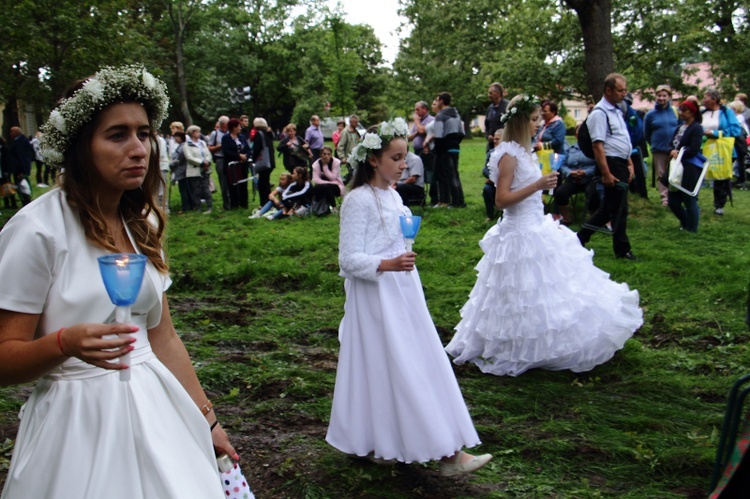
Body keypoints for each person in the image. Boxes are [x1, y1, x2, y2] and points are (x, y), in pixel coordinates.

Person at [0, 65, 235, 498]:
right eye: (117, 135)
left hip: (157, 410)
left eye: (144, 133)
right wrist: (63, 344)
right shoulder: (37, 230)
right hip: (76, 425)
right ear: (80, 146)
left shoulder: (142, 223)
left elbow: (162, 337)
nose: (138, 149)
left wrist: (208, 419)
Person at [327, 118, 492, 476]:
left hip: (404, 293)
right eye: (397, 158)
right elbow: (348, 259)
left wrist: (402, 256)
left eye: (405, 157)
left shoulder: (394, 195)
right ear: (374, 159)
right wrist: (387, 262)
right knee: (398, 367)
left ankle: (382, 440)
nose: (404, 165)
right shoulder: (358, 200)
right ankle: (446, 453)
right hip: (375, 300)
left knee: (409, 363)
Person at [445, 95, 642, 377]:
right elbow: (501, 200)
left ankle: (547, 343)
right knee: (521, 293)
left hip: (536, 224)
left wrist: (543, 186)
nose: (539, 124)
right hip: (518, 232)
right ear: (520, 121)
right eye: (534, 119)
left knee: (546, 290)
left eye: (539, 119)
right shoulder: (508, 155)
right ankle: (520, 345)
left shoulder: (524, 150)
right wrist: (538, 183)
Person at [577, 73, 637, 261]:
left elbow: (623, 139)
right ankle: (622, 249)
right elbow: (598, 145)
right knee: (619, 208)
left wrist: (629, 162)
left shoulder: (617, 111)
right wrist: (606, 173)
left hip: (620, 162)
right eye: (620, 90)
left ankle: (579, 238)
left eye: (625, 90)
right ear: (608, 90)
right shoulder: (599, 113)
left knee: (610, 207)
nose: (623, 94)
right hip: (610, 163)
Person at [666, 100, 705, 233]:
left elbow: (694, 148)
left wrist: (680, 152)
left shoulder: (697, 128)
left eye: (684, 110)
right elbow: (672, 143)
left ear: (692, 112)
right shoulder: (679, 127)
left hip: (690, 168)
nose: (681, 113)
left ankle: (692, 228)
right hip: (676, 166)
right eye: (680, 110)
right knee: (673, 200)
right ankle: (685, 222)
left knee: (689, 198)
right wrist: (671, 150)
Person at [701, 88, 742, 215]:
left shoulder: (726, 112)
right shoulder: (702, 113)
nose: (703, 100)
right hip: (703, 148)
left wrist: (716, 133)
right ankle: (691, 201)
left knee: (720, 178)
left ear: (714, 99)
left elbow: (735, 129)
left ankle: (719, 204)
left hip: (722, 149)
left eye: (705, 97)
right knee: (696, 174)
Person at [553, 125, 598, 225]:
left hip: (589, 179)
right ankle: (566, 218)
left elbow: (597, 165)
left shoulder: (593, 149)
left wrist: (586, 172)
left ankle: (594, 220)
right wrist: (570, 172)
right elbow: (563, 164)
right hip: (573, 179)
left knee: (592, 192)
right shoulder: (570, 149)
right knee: (560, 192)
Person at [645, 85, 679, 205]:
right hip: (659, 148)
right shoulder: (650, 115)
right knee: (661, 173)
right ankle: (665, 198)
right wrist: (654, 143)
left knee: (675, 173)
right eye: (659, 95)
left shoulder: (675, 112)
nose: (661, 98)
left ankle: (676, 196)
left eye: (664, 96)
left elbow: (680, 128)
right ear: (656, 96)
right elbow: (647, 132)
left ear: (669, 97)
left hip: (674, 149)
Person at [432, 92, 465, 207]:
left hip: (444, 149)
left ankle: (456, 202)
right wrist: (455, 142)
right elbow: (462, 132)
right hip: (455, 147)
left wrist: (437, 150)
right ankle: (454, 200)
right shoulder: (456, 114)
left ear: (441, 101)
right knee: (454, 174)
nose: (436, 102)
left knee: (444, 176)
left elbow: (438, 135)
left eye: (437, 100)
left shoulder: (440, 116)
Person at [221, 117, 251, 209]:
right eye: (238, 126)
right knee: (233, 185)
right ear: (233, 127)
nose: (240, 128)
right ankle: (234, 205)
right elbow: (226, 151)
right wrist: (238, 156)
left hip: (243, 164)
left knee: (243, 184)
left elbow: (248, 149)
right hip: (232, 166)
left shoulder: (242, 137)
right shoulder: (226, 138)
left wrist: (246, 156)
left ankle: (244, 204)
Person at [184, 125, 213, 214]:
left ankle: (209, 207)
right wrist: (201, 162)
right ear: (192, 133)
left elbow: (208, 154)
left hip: (205, 170)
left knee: (206, 189)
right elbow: (189, 157)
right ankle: (198, 207)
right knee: (196, 190)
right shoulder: (187, 145)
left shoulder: (202, 143)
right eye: (197, 132)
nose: (199, 133)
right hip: (194, 170)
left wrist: (207, 161)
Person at [311, 146, 345, 211]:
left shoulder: (336, 162)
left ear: (331, 155)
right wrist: (328, 183)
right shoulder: (316, 164)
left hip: (337, 186)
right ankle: (318, 208)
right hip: (323, 186)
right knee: (318, 187)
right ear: (320, 155)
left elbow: (333, 177)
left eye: (328, 154)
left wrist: (325, 167)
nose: (326, 156)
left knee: (327, 187)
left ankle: (334, 207)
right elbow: (316, 179)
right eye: (324, 154)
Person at [207, 116, 230, 210]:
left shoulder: (230, 132)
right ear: (222, 124)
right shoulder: (214, 134)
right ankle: (227, 204)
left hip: (231, 159)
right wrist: (221, 146)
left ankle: (234, 203)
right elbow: (209, 148)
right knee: (224, 183)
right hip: (220, 159)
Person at [251, 117, 275, 205]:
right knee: (266, 182)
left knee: (262, 184)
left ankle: (264, 203)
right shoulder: (269, 134)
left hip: (264, 162)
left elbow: (257, 149)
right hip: (270, 161)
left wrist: (253, 159)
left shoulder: (259, 134)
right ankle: (269, 201)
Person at [8, 127, 35, 206]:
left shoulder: (21, 142)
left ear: (16, 133)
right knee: (20, 186)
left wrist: (23, 170)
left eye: (12, 132)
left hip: (20, 169)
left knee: (23, 186)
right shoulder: (19, 141)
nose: (10, 134)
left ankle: (26, 202)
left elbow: (23, 157)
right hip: (18, 169)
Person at [482, 130, 503, 221]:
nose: (494, 141)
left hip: (508, 182)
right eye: (494, 139)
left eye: (497, 139)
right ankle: (490, 215)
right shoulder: (491, 153)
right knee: (487, 189)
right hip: (494, 181)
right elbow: (484, 169)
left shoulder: (510, 154)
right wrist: (493, 177)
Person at [485, 83, 509, 153]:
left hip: (504, 144)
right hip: (491, 145)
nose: (488, 95)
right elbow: (487, 124)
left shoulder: (507, 106)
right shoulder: (490, 108)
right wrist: (488, 135)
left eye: (490, 93)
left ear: (497, 94)